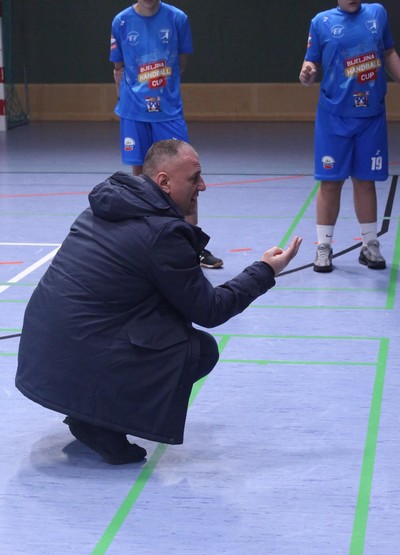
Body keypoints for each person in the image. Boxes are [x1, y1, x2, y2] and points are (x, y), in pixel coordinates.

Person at [15, 140, 302, 465]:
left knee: (162, 318)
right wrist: (265, 270)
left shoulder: (107, 203)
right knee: (197, 350)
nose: (203, 186)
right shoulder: (162, 234)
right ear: (164, 182)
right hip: (76, 351)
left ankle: (85, 409)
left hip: (42, 353)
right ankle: (99, 425)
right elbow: (210, 310)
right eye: (194, 178)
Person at [110, 0, 223, 269]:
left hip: (168, 111)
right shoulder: (121, 21)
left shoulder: (177, 18)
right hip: (134, 112)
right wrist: (127, 101)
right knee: (140, 178)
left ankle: (192, 245)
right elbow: (119, 68)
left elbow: (180, 63)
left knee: (185, 175)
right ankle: (144, 243)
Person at [299, 0, 400, 272]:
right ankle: (324, 246)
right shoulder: (321, 22)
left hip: (371, 116)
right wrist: (307, 73)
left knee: (365, 181)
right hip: (334, 117)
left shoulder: (377, 13)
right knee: (330, 182)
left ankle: (370, 245)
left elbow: (389, 52)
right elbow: (311, 61)